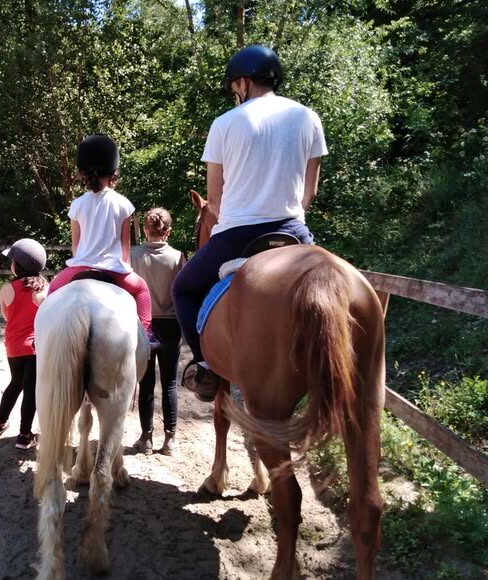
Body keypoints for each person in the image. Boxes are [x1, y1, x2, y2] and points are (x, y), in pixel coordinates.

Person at [172, 44, 327, 402]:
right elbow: (310, 191)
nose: (234, 94)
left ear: (242, 83)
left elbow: (215, 199)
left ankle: (205, 366)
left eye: (233, 88)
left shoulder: (225, 123)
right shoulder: (307, 117)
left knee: (183, 289)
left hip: (238, 235)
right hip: (293, 231)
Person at [47, 134, 158, 348]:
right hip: (114, 269)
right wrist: (126, 268)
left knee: (52, 291)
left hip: (80, 267)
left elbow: (76, 247)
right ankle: (146, 334)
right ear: (113, 170)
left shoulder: (78, 204)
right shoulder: (123, 204)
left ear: (83, 172)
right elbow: (125, 246)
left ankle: (39, 336)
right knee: (142, 289)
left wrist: (82, 261)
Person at [130, 208, 186, 455]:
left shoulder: (133, 256)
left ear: (145, 229)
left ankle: (147, 438)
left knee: (146, 383)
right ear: (168, 231)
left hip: (142, 325)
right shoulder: (177, 257)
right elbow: (183, 292)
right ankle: (171, 440)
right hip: (171, 324)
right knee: (170, 383)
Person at [0, 238, 48, 450]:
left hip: (13, 346)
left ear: (17, 266)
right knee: (30, 390)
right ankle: (24, 435)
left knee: (15, 384)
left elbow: (6, 316)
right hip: (35, 348)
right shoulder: (45, 289)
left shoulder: (7, 289)